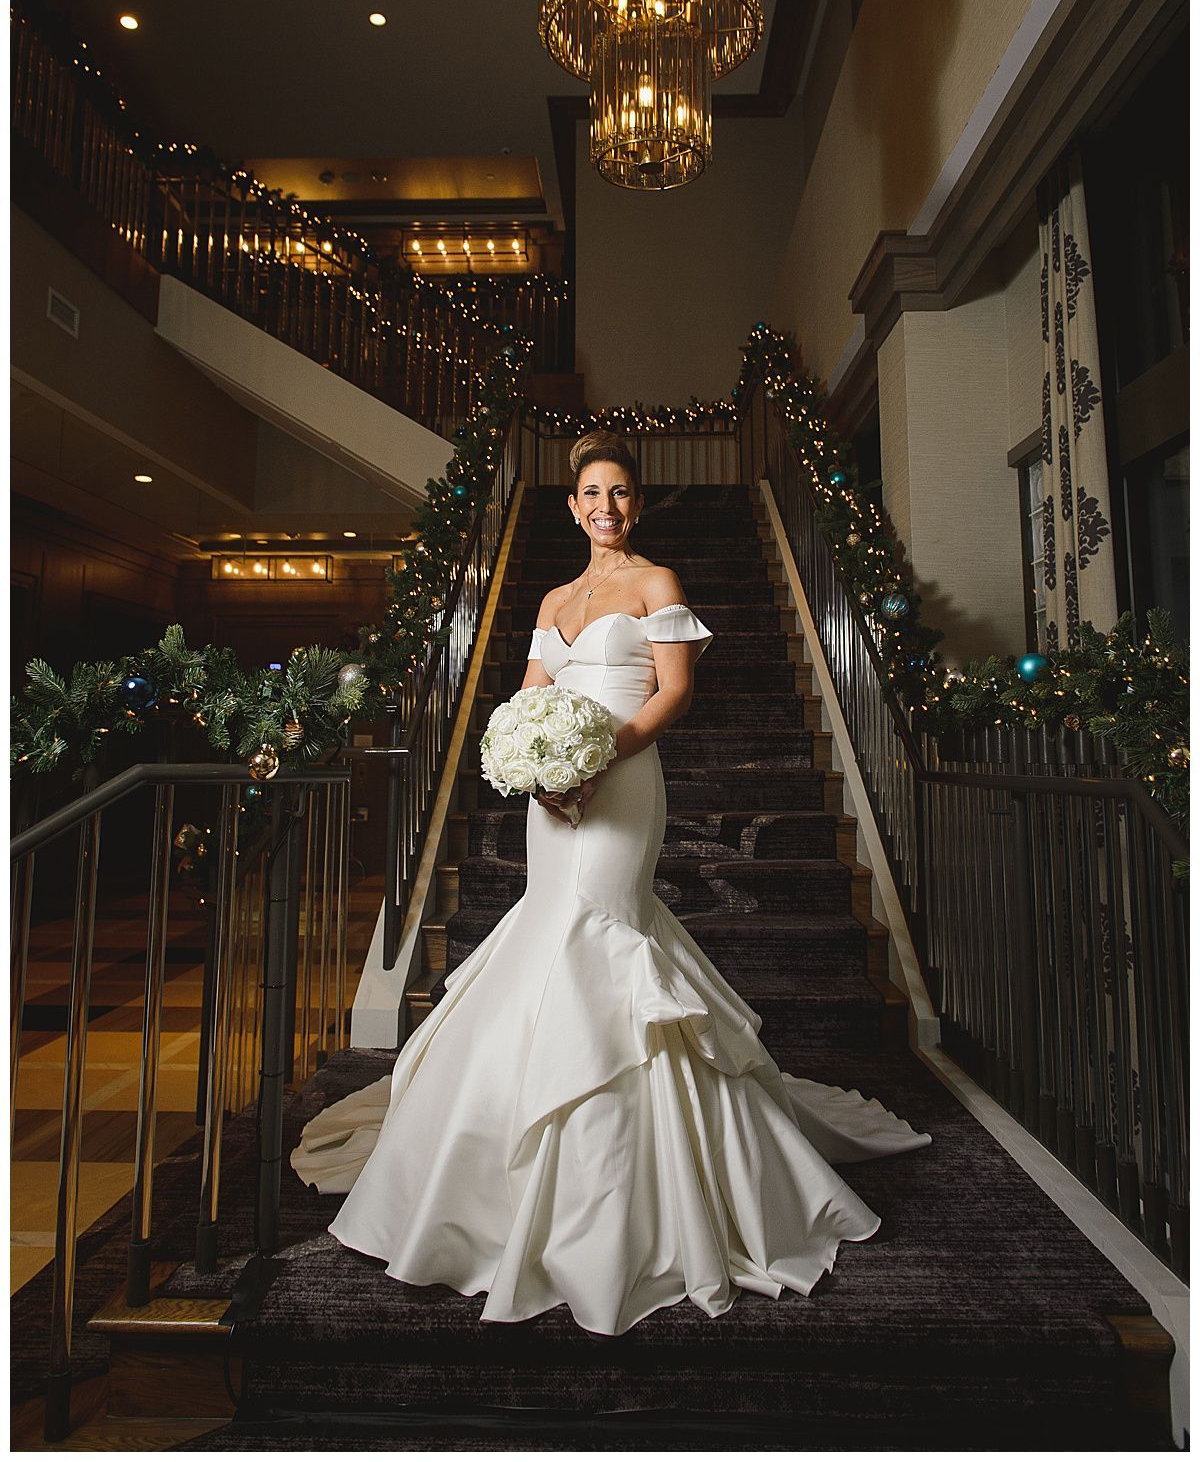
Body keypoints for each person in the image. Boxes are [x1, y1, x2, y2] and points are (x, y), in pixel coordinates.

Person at [291, 431, 931, 1336]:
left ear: (638, 500)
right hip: (553, 793)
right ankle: (504, 1163)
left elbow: (672, 694)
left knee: (603, 932)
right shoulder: (554, 597)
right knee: (547, 928)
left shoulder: (656, 584)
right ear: (572, 503)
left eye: (621, 491)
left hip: (623, 782)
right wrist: (537, 764)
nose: (606, 505)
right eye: (591, 490)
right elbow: (527, 699)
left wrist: (600, 756)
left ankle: (638, 1174)